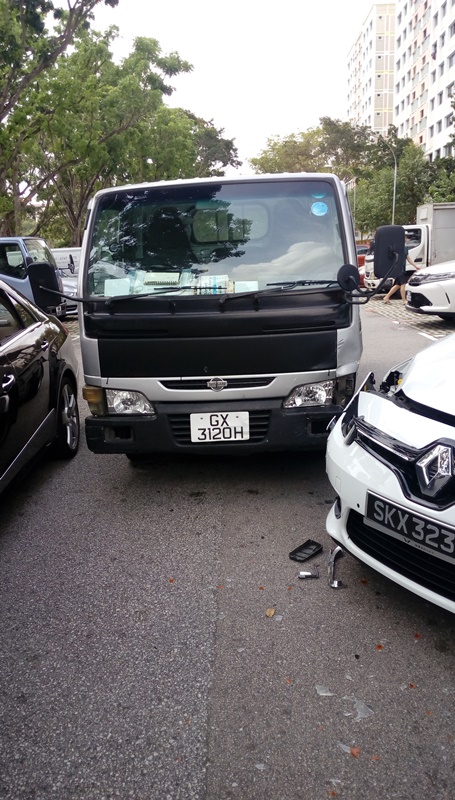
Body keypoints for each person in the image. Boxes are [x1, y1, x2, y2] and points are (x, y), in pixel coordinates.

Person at [382, 237, 419, 304]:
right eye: (405, 238)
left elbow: (408, 258)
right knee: (403, 284)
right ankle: (404, 300)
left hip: (402, 268)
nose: (406, 239)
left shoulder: (405, 248)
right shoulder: (397, 248)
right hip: (398, 268)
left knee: (398, 285)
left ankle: (386, 297)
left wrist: (415, 266)